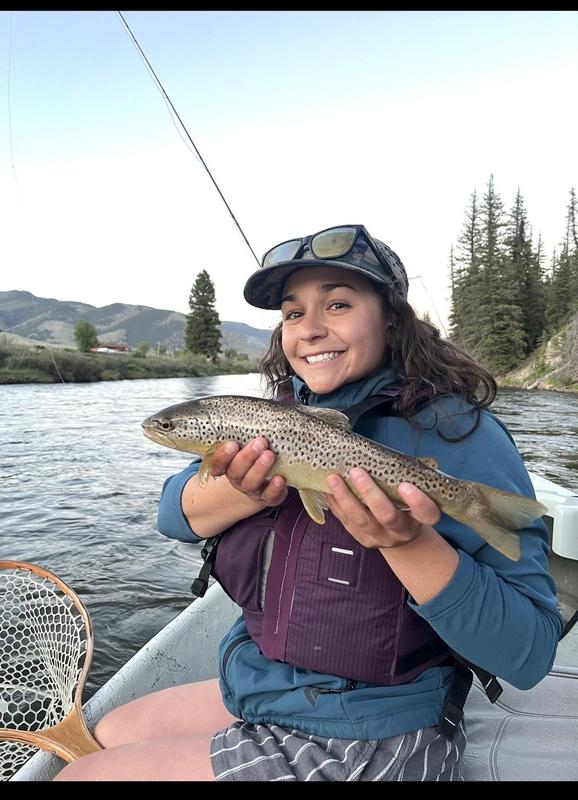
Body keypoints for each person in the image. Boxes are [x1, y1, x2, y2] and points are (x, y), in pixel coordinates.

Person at [55, 223, 562, 782]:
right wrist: (240, 486)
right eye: (293, 314)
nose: (312, 329)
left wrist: (410, 543)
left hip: (375, 734)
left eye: (338, 303)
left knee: (80, 777)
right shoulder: (270, 419)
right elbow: (173, 516)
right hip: (277, 685)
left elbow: (528, 653)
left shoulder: (462, 436)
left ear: (392, 319)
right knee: (104, 735)